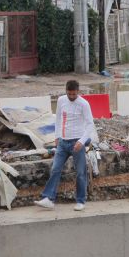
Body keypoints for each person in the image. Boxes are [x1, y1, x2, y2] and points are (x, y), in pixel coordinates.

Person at [35, 80, 95, 211]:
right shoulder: (61, 100)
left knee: (80, 173)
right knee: (55, 169)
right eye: (69, 94)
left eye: (74, 94)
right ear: (66, 91)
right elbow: (57, 119)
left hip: (77, 143)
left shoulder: (84, 104)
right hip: (62, 142)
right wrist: (56, 136)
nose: (71, 96)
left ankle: (80, 201)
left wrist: (82, 141)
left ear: (78, 92)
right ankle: (49, 199)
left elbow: (90, 124)